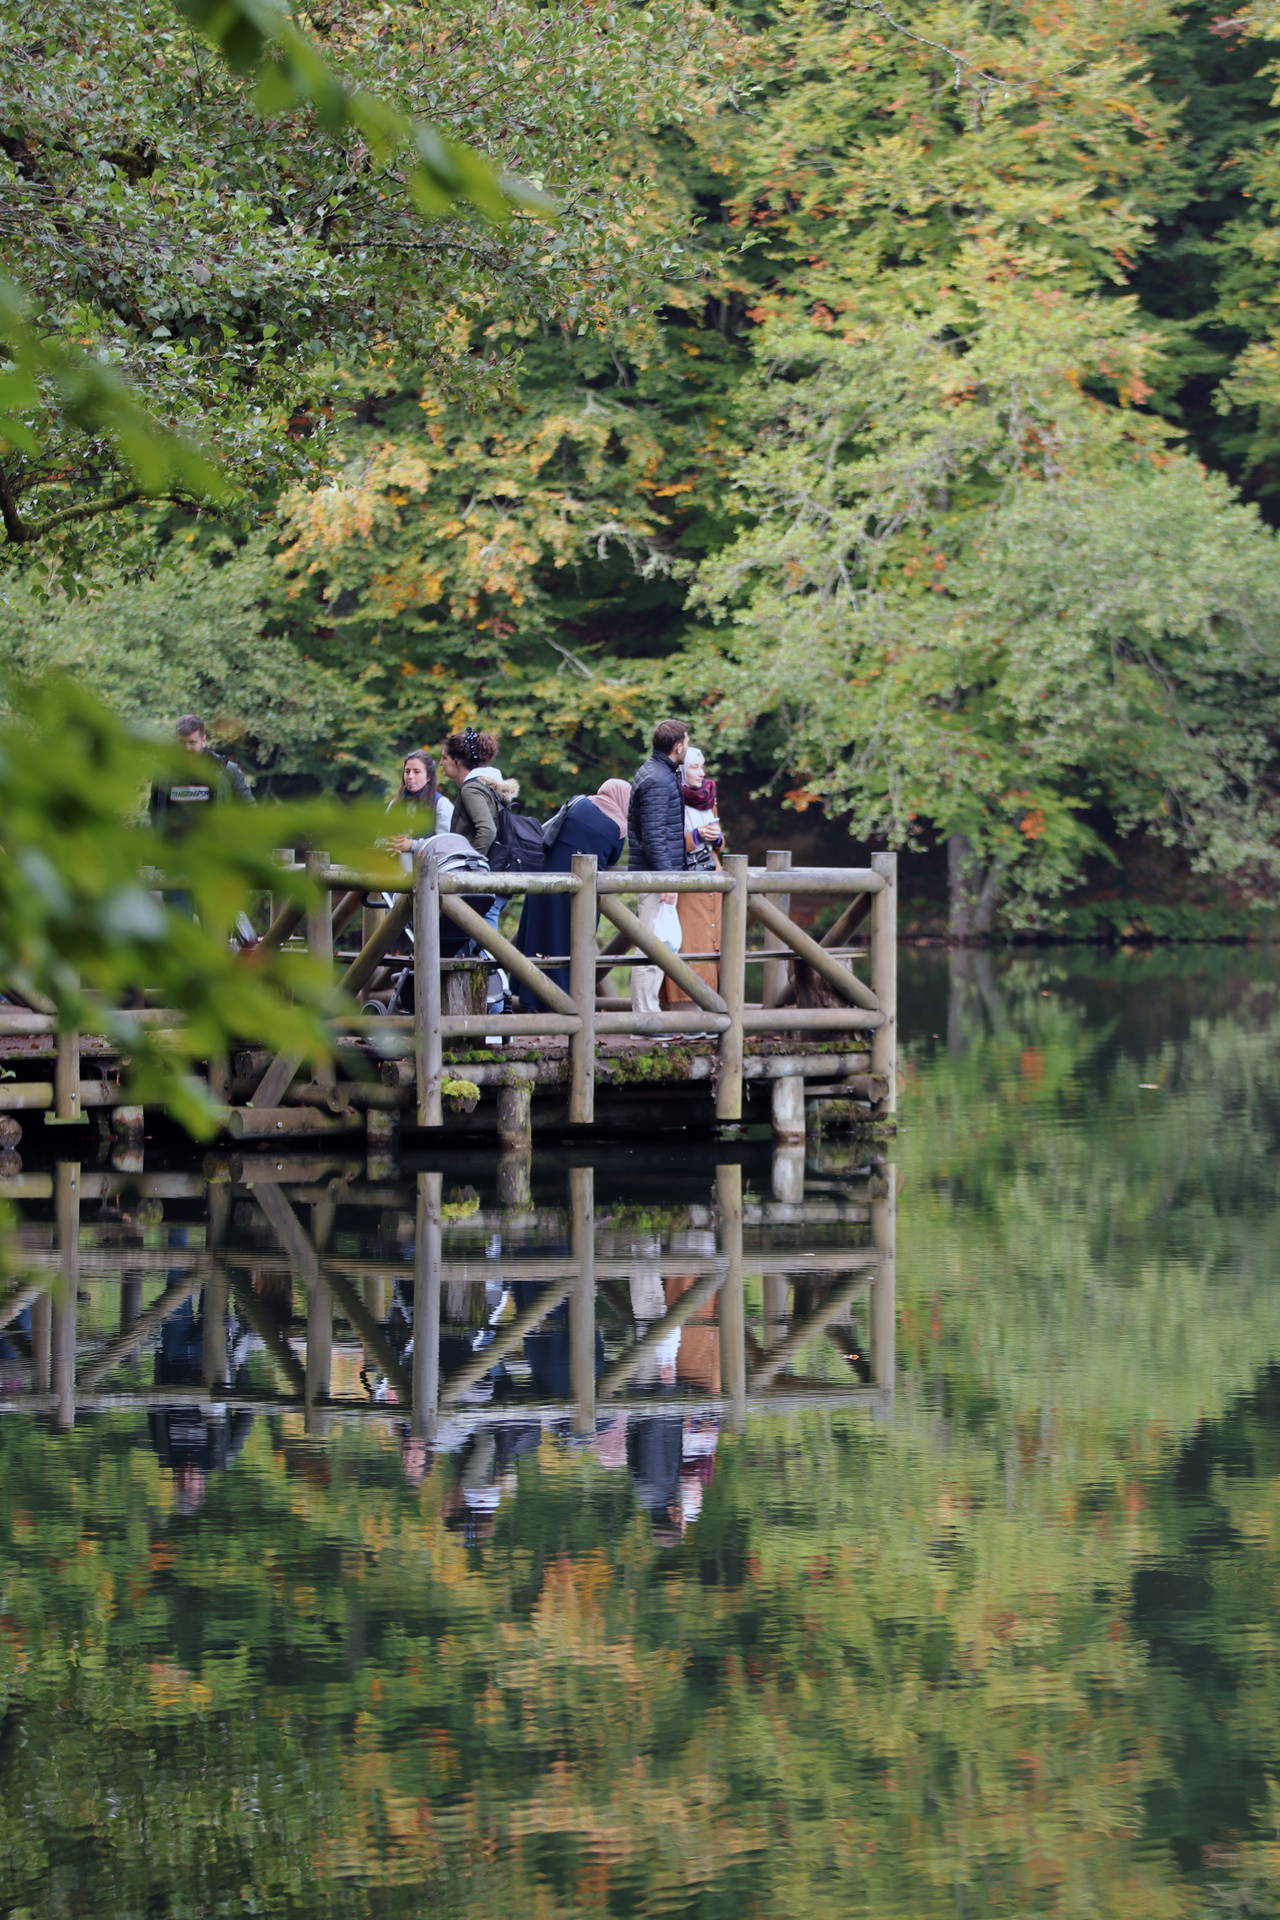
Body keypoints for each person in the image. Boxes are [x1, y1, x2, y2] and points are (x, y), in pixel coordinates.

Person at [514, 778, 631, 1007]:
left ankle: (526, 999)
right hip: (578, 895)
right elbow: (611, 858)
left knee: (536, 937)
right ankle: (566, 1002)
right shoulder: (616, 826)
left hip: (543, 881)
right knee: (570, 944)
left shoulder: (579, 804)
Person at [148, 713, 256, 933]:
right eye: (181, 743)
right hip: (175, 865)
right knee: (180, 935)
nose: (187, 749)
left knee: (214, 935)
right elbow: (154, 813)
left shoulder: (226, 771)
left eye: (192, 743)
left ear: (204, 740)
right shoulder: (164, 775)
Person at [626, 718, 689, 1015]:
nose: (688, 746)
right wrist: (666, 879)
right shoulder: (656, 779)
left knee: (659, 947)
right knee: (651, 949)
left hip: (660, 875)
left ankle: (650, 1018)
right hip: (655, 878)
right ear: (678, 746)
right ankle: (646, 1021)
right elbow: (653, 835)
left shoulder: (662, 773)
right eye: (687, 742)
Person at [663, 744, 725, 1003]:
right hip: (686, 880)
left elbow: (719, 842)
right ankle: (685, 1010)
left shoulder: (709, 798)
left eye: (703, 767)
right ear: (682, 770)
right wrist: (696, 836)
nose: (702, 773)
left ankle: (713, 1005)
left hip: (713, 877)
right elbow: (667, 843)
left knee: (715, 944)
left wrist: (717, 838)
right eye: (695, 767)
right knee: (689, 943)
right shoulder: (670, 798)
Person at [384, 748, 453, 865]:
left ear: (428, 777)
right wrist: (390, 845)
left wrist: (412, 845)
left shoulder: (441, 804)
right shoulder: (395, 804)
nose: (410, 776)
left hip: (429, 873)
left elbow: (445, 845)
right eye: (407, 771)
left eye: (416, 772)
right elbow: (381, 835)